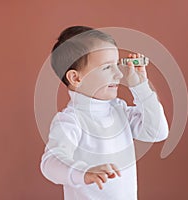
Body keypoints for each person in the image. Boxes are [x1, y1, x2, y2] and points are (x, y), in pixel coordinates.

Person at [40, 25, 169, 200]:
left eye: (116, 65)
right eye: (107, 68)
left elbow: (157, 132)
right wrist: (84, 172)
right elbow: (50, 163)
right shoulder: (71, 120)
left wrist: (141, 87)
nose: (119, 74)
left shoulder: (119, 110)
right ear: (76, 78)